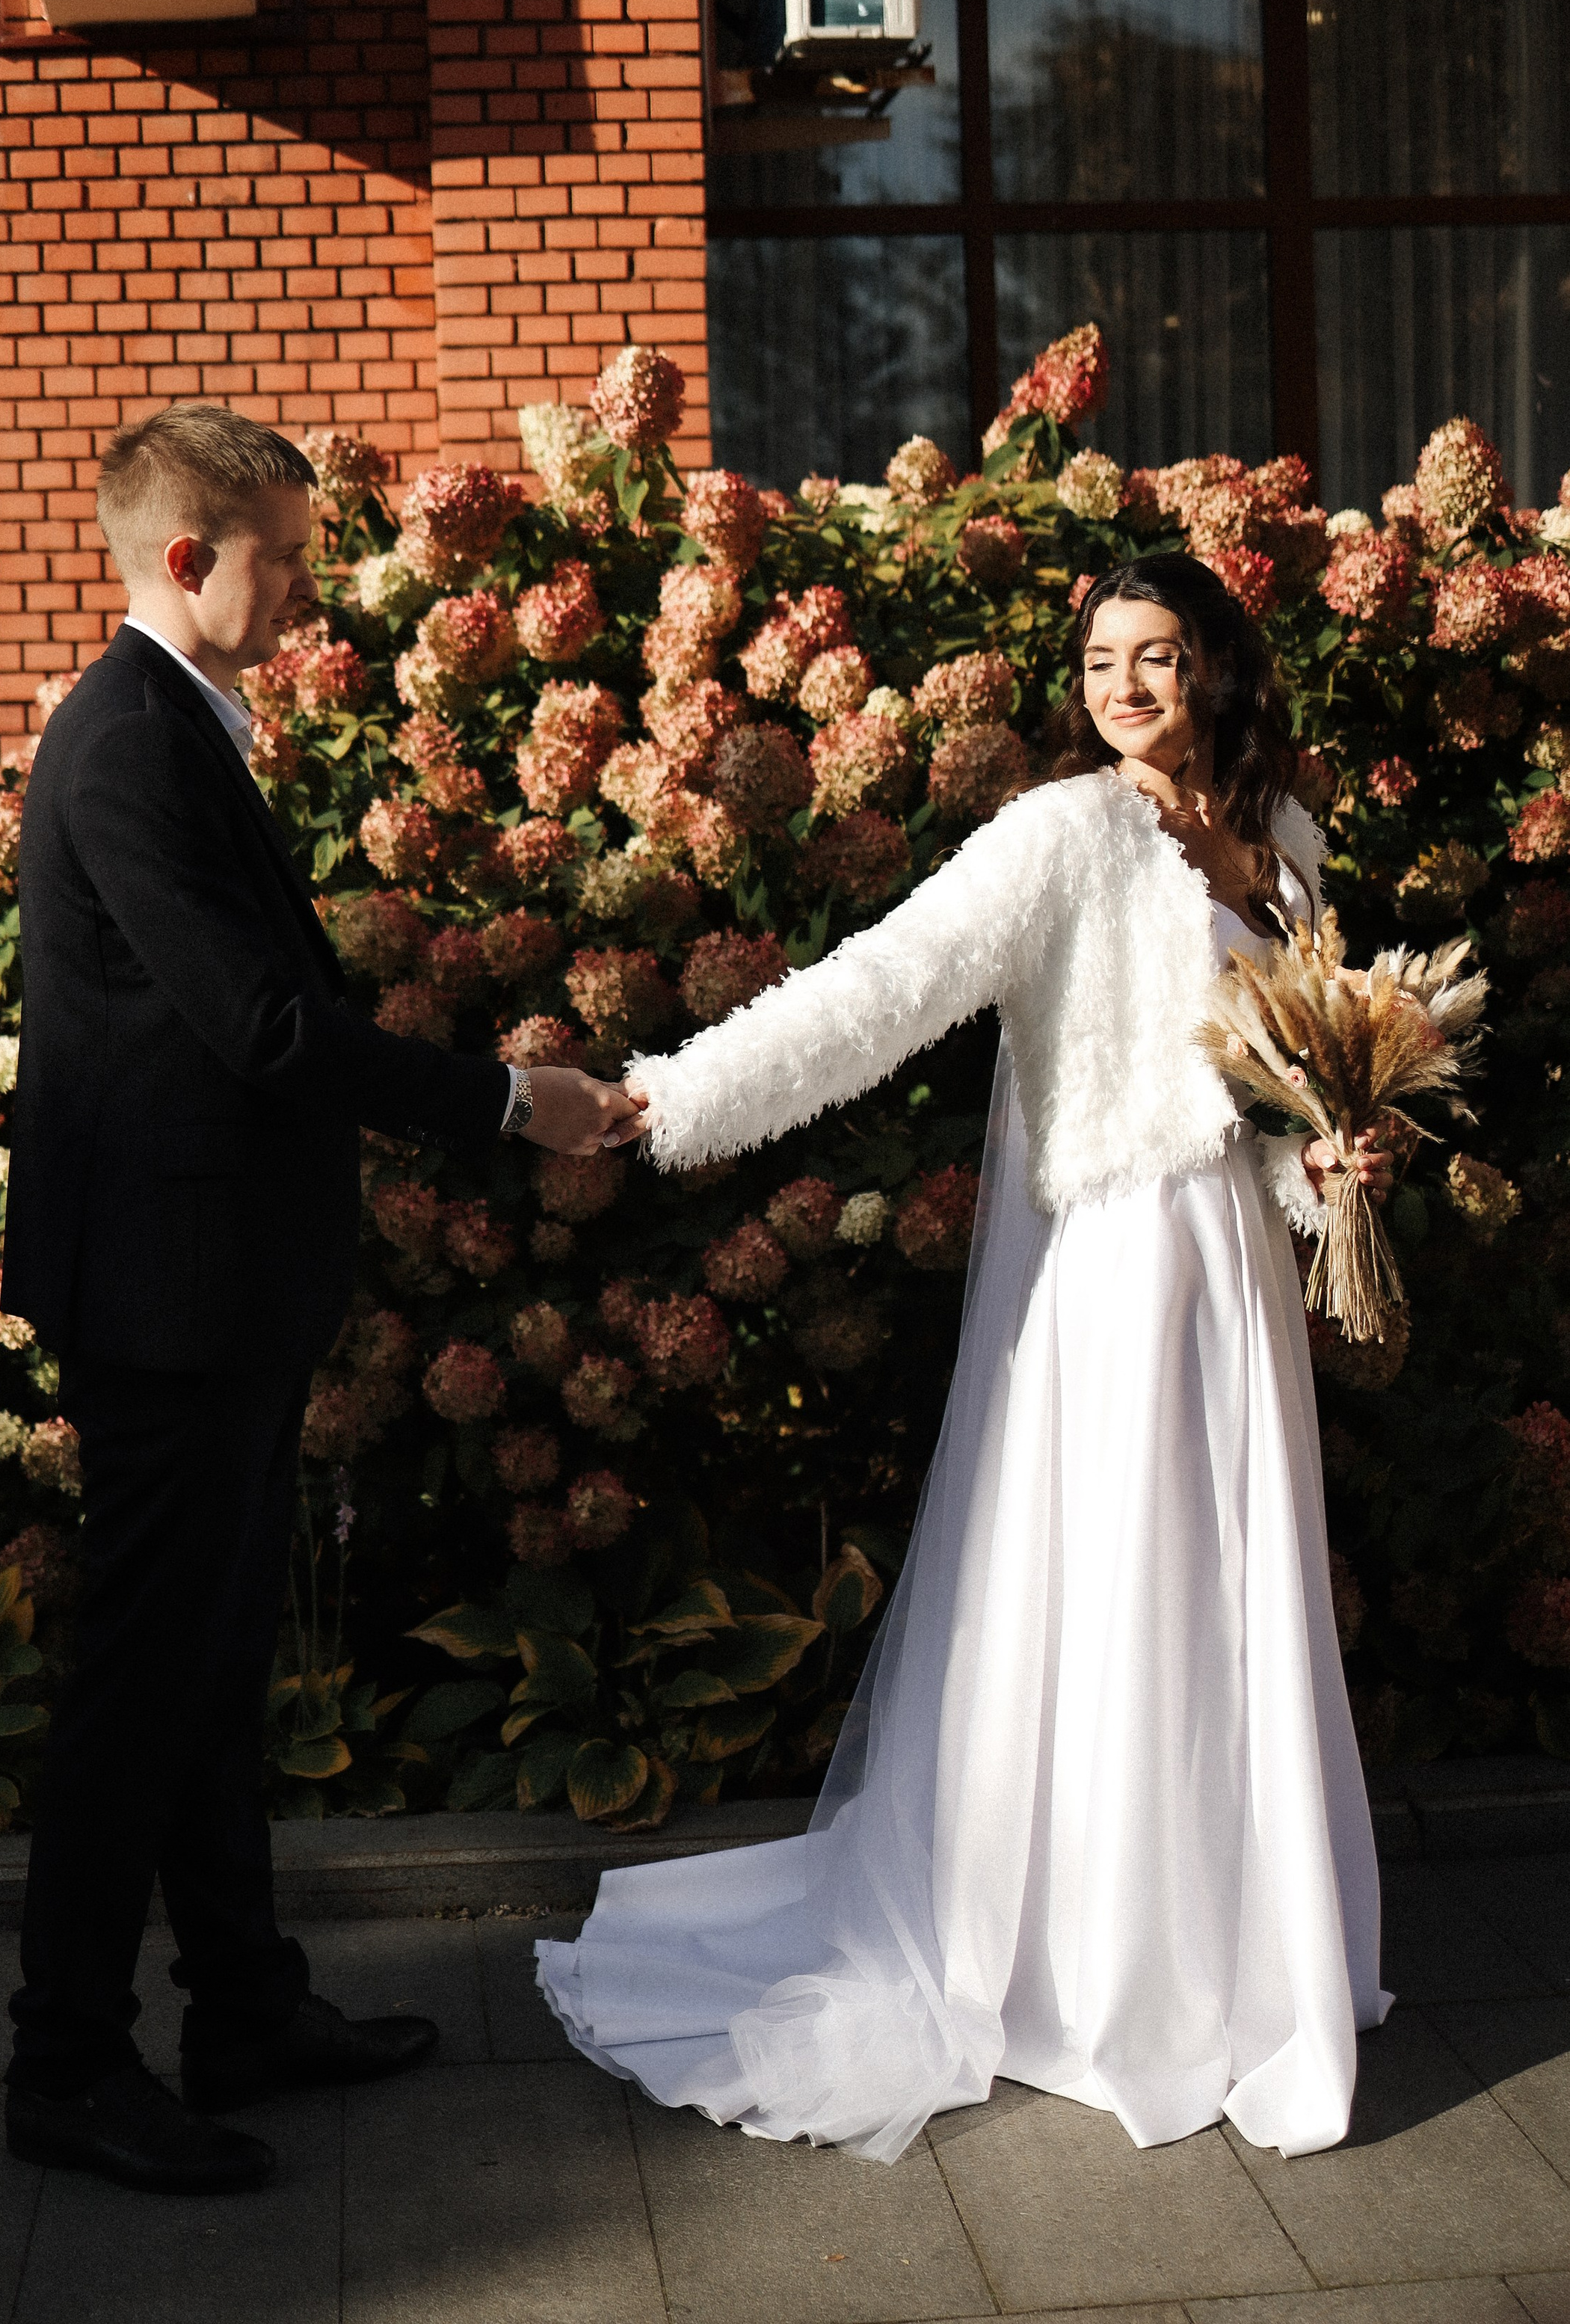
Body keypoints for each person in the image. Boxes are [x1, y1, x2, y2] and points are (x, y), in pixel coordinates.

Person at [536, 553, 1394, 2162]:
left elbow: (1274, 1100)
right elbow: (882, 985)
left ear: (1215, 664)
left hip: (1237, 1280)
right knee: (1128, 1594)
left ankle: (1232, 1944)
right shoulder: (1060, 833)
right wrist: (682, 1096)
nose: (1123, 686)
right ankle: (1091, 1969)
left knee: (1229, 1600)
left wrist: (1321, 1174)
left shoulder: (1279, 840)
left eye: (1154, 655)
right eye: (1097, 660)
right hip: (1121, 1271)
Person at [1, 402, 641, 2195]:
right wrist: (519, 1099)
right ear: (188, 559)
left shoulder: (173, 725)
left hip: (208, 1279)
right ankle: (62, 2063)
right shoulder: (125, 740)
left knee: (203, 1670)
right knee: (141, 1683)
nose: (309, 582)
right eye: (282, 552)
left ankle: (243, 2007)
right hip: (164, 1291)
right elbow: (263, 1028)